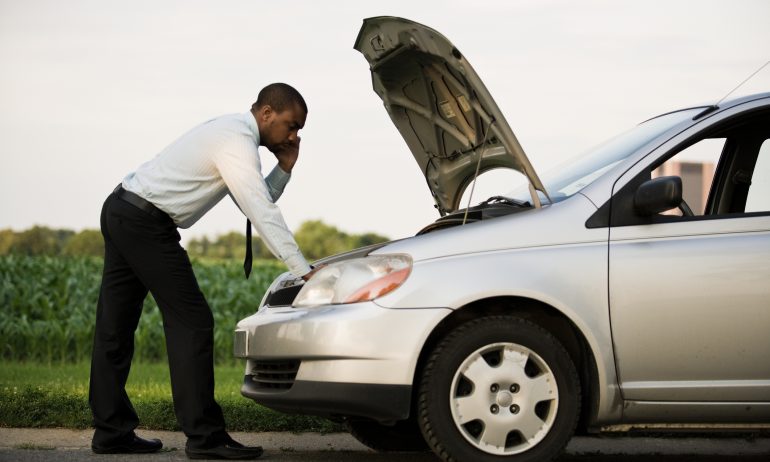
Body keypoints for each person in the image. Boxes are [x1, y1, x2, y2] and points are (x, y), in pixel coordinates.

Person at [89, 83, 316, 460]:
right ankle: (205, 438)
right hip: (145, 222)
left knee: (115, 328)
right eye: (291, 126)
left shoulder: (233, 135)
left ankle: (111, 431)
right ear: (266, 114)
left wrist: (284, 167)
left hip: (123, 210)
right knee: (192, 323)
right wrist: (301, 269)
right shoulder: (235, 142)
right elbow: (261, 210)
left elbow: (254, 199)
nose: (293, 136)